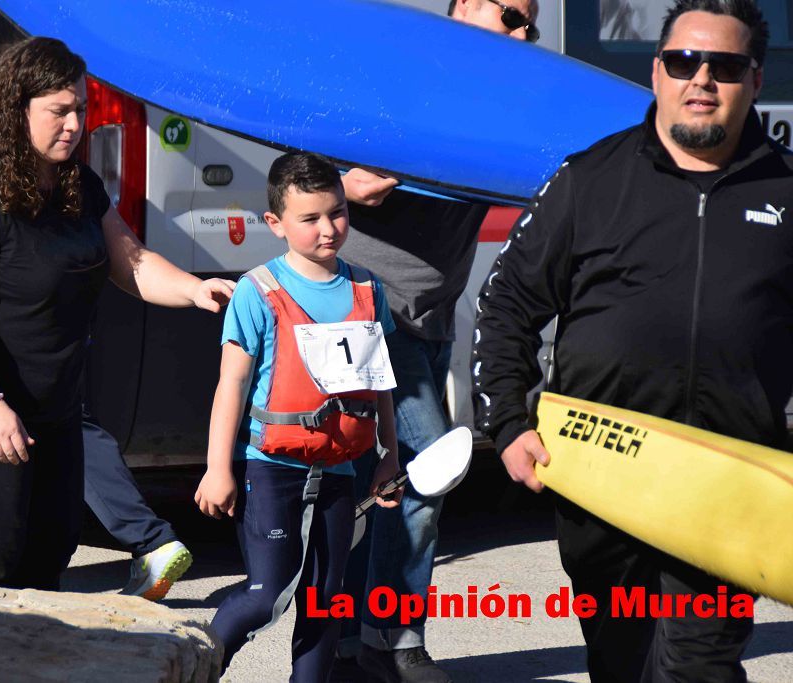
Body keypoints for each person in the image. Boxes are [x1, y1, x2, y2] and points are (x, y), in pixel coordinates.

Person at [472, 1, 786, 680]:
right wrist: (508, 420)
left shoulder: (786, 191)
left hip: (726, 486)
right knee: (621, 663)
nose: (701, 78)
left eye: (725, 66)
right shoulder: (590, 179)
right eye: (683, 61)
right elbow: (507, 306)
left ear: (754, 81)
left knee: (699, 665)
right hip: (601, 478)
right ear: (657, 72)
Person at [0, 36, 232, 590]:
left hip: (55, 411)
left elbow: (130, 263)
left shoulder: (78, 185)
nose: (74, 124)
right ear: (15, 111)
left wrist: (195, 289)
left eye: (80, 110)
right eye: (58, 111)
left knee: (47, 557)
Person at [335, 1, 539, 681]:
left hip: (429, 318)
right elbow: (300, 150)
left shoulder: (504, 99)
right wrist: (344, 179)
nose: (521, 32)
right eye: (509, 14)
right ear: (460, 8)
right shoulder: (397, 72)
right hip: (367, 313)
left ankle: (348, 643)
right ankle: (392, 643)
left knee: (376, 485)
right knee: (428, 469)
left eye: (529, 23)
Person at [195, 152, 404, 682]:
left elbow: (379, 384)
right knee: (267, 595)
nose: (327, 228)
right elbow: (231, 385)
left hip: (339, 473)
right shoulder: (257, 291)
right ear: (276, 223)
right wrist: (218, 469)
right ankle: (187, 666)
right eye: (309, 218)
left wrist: (388, 458)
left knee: (325, 603)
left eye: (336, 213)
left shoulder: (367, 289)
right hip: (270, 468)